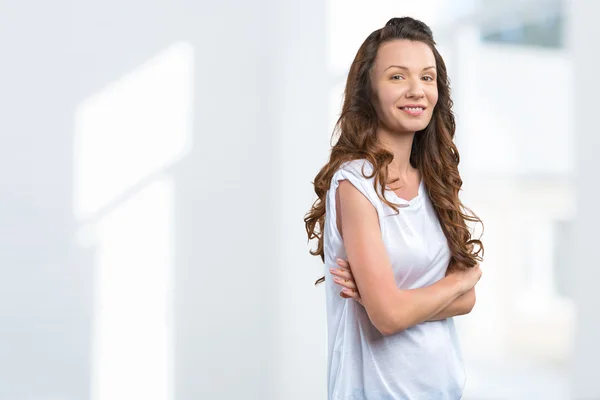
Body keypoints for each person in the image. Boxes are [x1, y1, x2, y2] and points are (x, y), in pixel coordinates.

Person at [304, 17, 484, 400]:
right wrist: (457, 282)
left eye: (428, 77)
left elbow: (466, 304)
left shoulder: (435, 180)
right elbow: (389, 317)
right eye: (398, 77)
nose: (417, 90)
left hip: (443, 389)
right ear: (368, 91)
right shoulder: (355, 183)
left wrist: (396, 302)